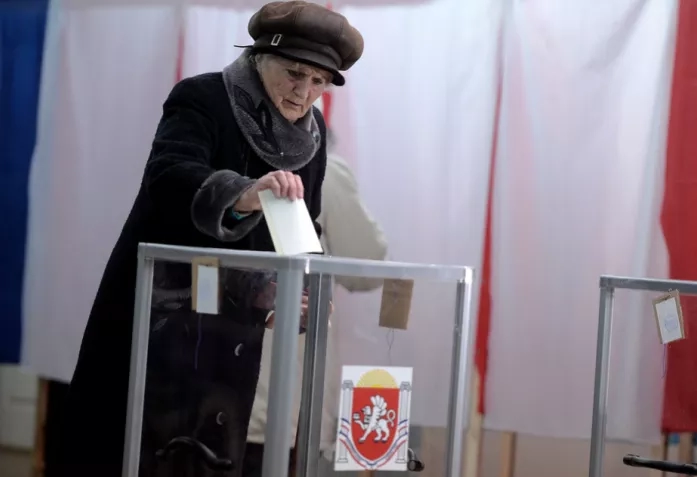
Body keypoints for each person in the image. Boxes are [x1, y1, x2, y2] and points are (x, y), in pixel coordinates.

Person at [57, 2, 364, 476]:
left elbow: (306, 223)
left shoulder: (314, 133)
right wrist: (243, 194)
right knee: (128, 448)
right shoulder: (202, 96)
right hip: (160, 314)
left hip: (232, 330)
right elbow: (169, 175)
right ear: (259, 58)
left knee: (210, 456)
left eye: (319, 81)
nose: (304, 92)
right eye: (294, 73)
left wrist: (303, 292)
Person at [244, 135, 388, 476]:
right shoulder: (324, 172)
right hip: (284, 398)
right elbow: (368, 266)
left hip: (208, 390)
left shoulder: (221, 161)